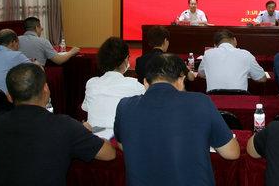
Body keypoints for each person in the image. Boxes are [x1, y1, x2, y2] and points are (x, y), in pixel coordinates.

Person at [114, 54, 240, 186]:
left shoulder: (124, 106)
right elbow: (232, 153)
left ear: (145, 83)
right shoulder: (200, 102)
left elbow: (122, 145)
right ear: (181, 80)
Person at [0, 63, 116, 186]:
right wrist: (86, 132)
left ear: (9, 97)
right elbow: (109, 153)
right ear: (46, 89)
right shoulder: (65, 126)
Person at [82, 37, 145, 139]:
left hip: (94, 139)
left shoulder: (92, 83)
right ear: (125, 59)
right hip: (121, 140)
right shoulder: (135, 85)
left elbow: (85, 108)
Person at [198, 29, 266, 92]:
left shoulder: (208, 54)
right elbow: (262, 78)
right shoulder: (246, 54)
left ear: (215, 45)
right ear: (235, 40)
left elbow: (201, 74)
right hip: (239, 97)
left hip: (214, 98)